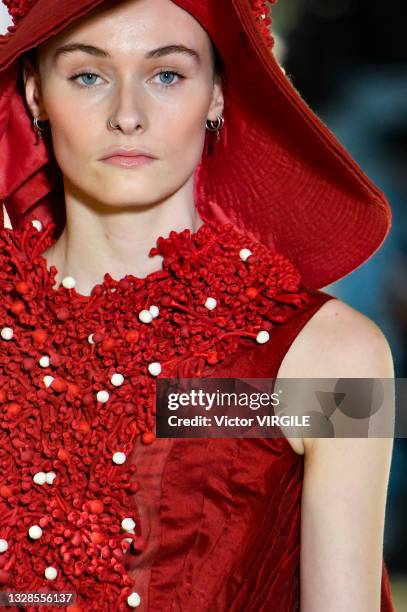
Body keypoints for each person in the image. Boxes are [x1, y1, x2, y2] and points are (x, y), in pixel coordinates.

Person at [0, 0, 395, 610]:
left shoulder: (334, 359)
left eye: (167, 75)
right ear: (34, 94)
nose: (127, 115)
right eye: (88, 75)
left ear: (215, 95)